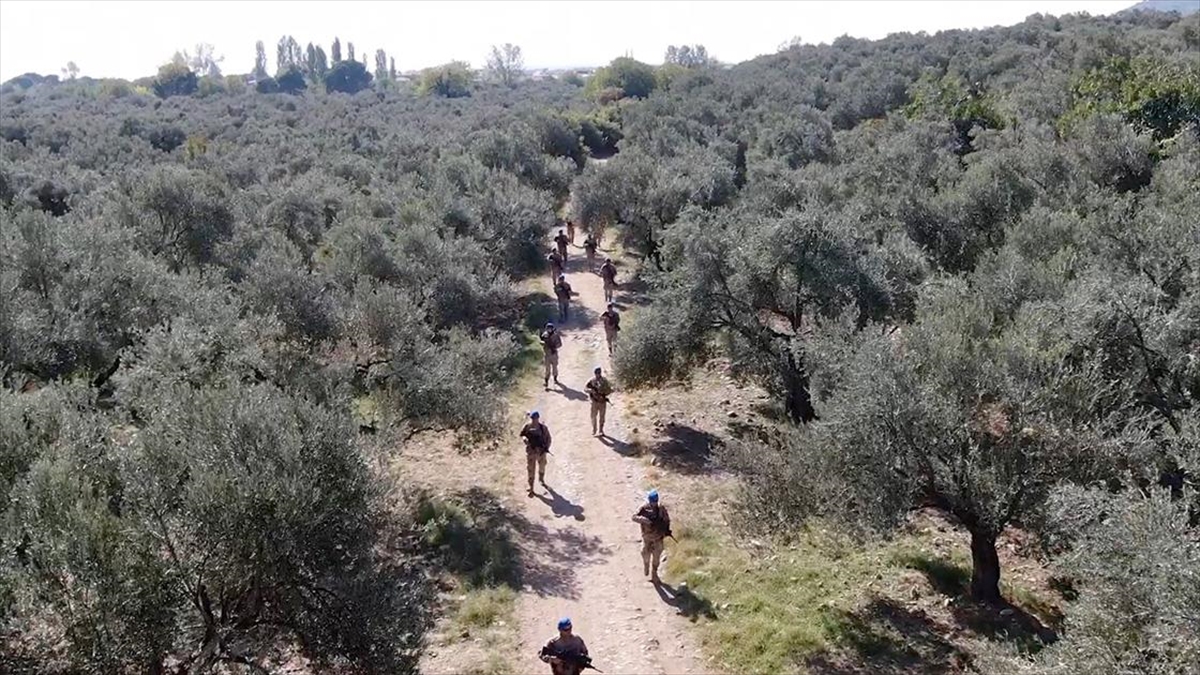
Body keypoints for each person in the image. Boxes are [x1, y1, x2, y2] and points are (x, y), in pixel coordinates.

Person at [632, 490, 672, 583]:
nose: (654, 504)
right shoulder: (644, 508)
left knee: (656, 557)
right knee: (645, 554)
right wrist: (645, 520)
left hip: (658, 538)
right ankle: (646, 565)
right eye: (652, 502)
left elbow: (667, 520)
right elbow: (634, 517)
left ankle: (654, 573)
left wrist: (666, 530)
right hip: (647, 537)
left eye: (655, 502)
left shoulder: (661, 509)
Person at [520, 411, 552, 496]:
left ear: (538, 418)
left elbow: (549, 439)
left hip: (541, 452)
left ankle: (541, 479)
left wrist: (546, 448)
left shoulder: (543, 428)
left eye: (535, 418)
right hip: (531, 452)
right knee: (530, 470)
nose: (534, 420)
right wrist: (524, 439)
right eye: (533, 418)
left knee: (542, 466)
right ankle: (531, 488)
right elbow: (522, 434)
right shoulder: (527, 427)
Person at [584, 366, 614, 437]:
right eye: (596, 373)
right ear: (594, 373)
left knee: (602, 417)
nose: (598, 374)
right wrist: (591, 391)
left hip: (602, 402)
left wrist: (605, 392)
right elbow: (585, 388)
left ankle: (601, 430)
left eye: (599, 373)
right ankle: (594, 429)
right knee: (593, 416)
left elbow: (609, 390)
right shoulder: (591, 381)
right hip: (594, 402)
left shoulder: (604, 381)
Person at [540, 322, 563, 390]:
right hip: (547, 354)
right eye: (548, 328)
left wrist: (554, 347)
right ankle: (546, 381)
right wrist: (544, 343)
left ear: (552, 328)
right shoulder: (544, 334)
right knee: (547, 369)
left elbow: (560, 344)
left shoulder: (556, 335)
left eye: (550, 328)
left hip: (554, 354)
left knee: (554, 368)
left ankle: (555, 379)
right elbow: (542, 341)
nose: (549, 329)